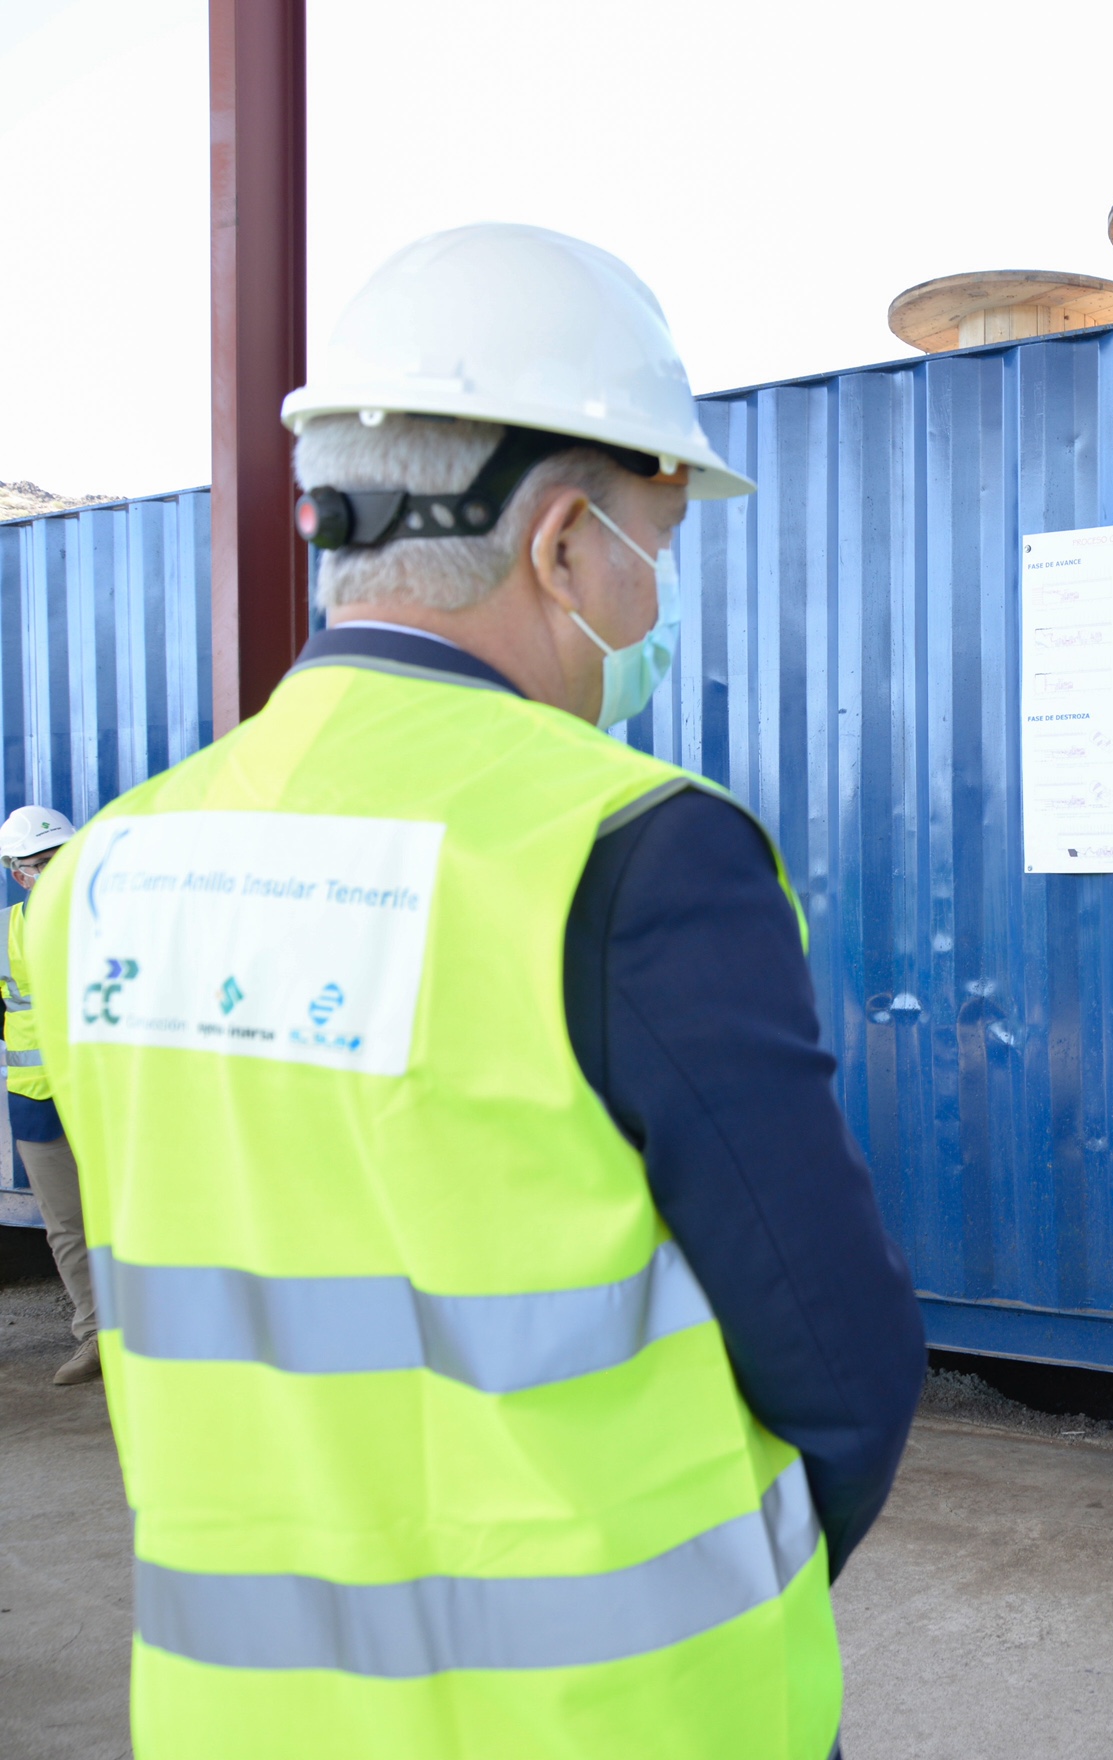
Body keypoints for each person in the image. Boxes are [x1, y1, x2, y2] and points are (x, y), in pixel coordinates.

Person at [25, 224, 923, 1758]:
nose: (653, 605)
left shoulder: (110, 868)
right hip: (617, 1720)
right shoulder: (634, 855)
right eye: (657, 547)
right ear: (566, 543)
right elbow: (840, 1367)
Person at [2, 804, 96, 1385]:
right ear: (18, 873)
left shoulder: (110, 917)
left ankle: (161, 1342)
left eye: (61, 858)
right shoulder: (5, 930)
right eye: (41, 864)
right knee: (67, 1228)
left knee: (138, 1217)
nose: (54, 871)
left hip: (106, 1096)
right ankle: (96, 1339)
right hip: (39, 1103)